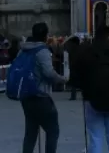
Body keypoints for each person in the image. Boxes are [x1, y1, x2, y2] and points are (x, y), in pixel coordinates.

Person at [73, 25, 109, 153]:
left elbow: (76, 78)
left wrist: (85, 90)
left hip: (92, 100)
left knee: (95, 138)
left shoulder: (85, 53)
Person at [18, 22, 67, 153]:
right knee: (52, 130)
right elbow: (49, 73)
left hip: (26, 97)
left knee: (30, 132)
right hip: (41, 97)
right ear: (46, 35)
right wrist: (63, 79)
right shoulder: (42, 51)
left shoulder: (22, 50)